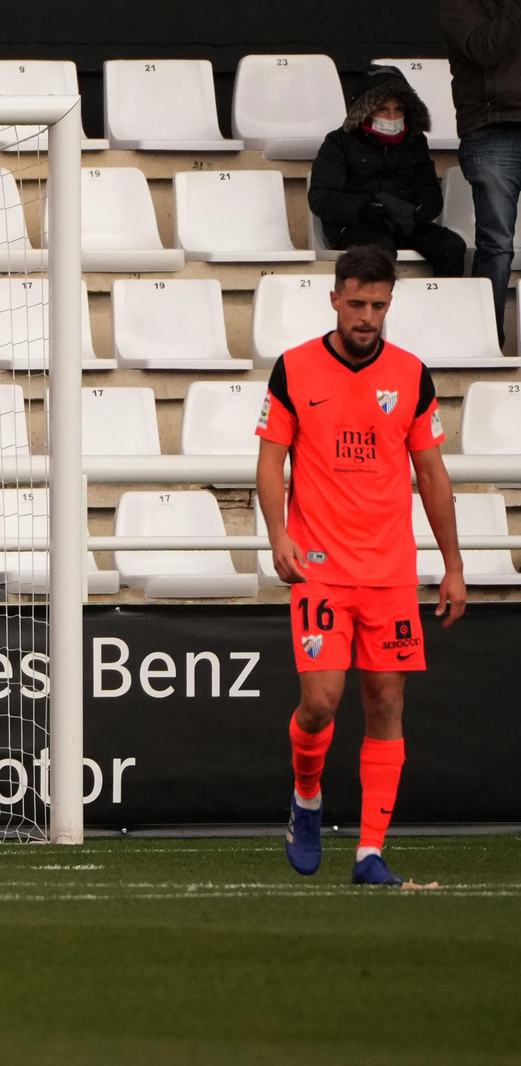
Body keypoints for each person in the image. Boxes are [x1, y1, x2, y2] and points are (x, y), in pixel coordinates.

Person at [256, 245, 466, 888]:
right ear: (335, 298)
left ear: (389, 303)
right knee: (321, 701)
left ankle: (370, 852)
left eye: (377, 305)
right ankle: (307, 796)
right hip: (318, 565)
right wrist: (278, 535)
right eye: (356, 303)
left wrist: (453, 565)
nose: (366, 316)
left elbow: (430, 473)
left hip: (391, 575)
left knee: (386, 703)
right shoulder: (294, 369)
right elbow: (270, 462)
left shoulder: (411, 375)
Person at [309, 65, 466, 278]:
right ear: (365, 111)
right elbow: (321, 198)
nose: (392, 116)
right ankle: (380, 308)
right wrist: (364, 208)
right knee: (379, 251)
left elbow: (429, 190)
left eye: (399, 109)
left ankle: (444, 308)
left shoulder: (415, 141)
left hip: (405, 224)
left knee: (452, 246)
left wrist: (424, 209)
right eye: (383, 109)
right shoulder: (338, 142)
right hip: (355, 225)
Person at [444, 0, 521, 341]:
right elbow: (483, 48)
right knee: (498, 244)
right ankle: (487, 341)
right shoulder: (459, 4)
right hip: (493, 129)